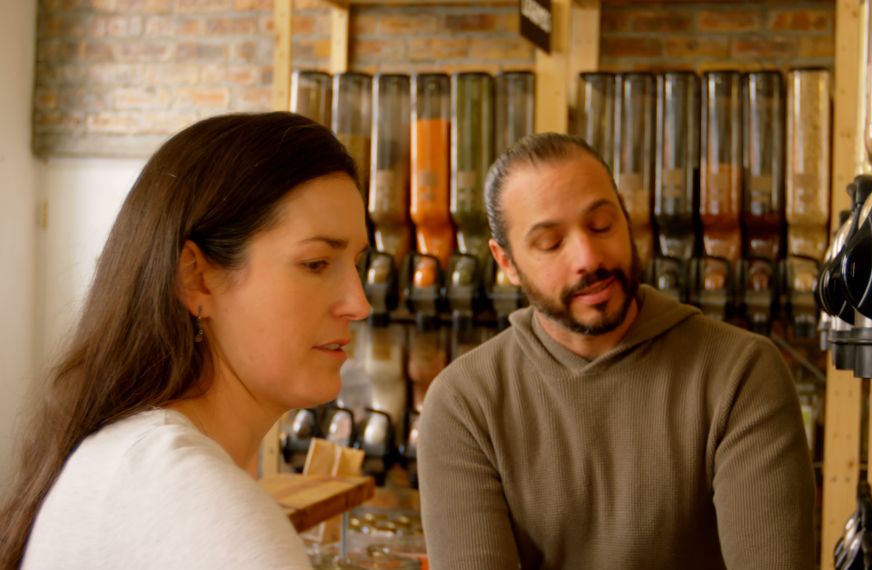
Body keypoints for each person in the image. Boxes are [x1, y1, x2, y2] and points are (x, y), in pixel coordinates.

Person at [418, 133, 816, 569]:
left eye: (601, 225)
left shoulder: (740, 374)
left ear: (627, 219)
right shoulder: (464, 404)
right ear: (506, 263)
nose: (587, 257)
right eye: (550, 243)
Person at [0, 112, 372, 569]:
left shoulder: (140, 463)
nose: (359, 303)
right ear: (195, 277)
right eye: (316, 263)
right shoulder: (189, 498)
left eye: (357, 262)